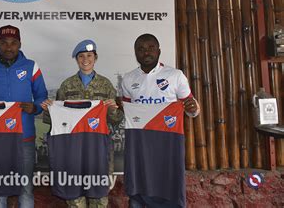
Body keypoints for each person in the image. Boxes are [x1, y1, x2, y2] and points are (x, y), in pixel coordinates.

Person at [41, 39, 123, 208]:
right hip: (72, 149)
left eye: (89, 55)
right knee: (74, 199)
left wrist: (113, 109)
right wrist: (48, 110)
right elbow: (56, 122)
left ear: (95, 57)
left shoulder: (106, 85)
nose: (85, 59)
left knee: (99, 198)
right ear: (76, 59)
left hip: (98, 149)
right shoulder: (66, 85)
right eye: (81, 56)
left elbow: (116, 120)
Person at [121, 33, 200, 208]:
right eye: (140, 49)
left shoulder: (175, 75)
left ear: (159, 51)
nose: (146, 52)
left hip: (168, 142)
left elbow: (191, 107)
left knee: (169, 184)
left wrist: (193, 109)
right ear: (135, 53)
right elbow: (126, 111)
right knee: (139, 186)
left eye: (150, 48)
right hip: (140, 144)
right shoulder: (128, 79)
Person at [0, 24, 48, 208]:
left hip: (25, 138)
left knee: (25, 189)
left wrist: (35, 108)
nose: (9, 47)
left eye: (13, 43)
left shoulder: (31, 66)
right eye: (4, 43)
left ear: (20, 44)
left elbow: (42, 96)